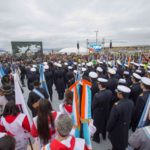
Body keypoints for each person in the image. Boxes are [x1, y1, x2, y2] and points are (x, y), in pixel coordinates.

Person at [107, 85, 134, 150]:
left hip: (116, 130)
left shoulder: (117, 106)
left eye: (118, 92)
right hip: (124, 128)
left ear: (121, 94)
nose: (116, 93)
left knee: (116, 144)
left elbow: (112, 121)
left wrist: (108, 128)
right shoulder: (131, 102)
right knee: (120, 143)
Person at [92, 78, 113, 143]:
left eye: (99, 84)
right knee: (104, 123)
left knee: (96, 125)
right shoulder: (110, 92)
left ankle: (96, 138)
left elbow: (93, 106)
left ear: (100, 85)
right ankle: (104, 135)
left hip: (98, 112)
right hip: (106, 111)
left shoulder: (97, 96)